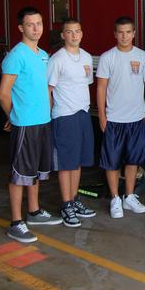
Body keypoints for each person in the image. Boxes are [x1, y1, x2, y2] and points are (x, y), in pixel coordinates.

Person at [0, 6, 61, 244]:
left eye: (39, 23)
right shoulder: (16, 56)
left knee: (33, 171)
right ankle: (16, 223)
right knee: (20, 174)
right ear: (20, 28)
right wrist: (13, 117)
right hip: (25, 123)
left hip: (43, 121)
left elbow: (44, 90)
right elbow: (3, 94)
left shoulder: (43, 55)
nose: (36, 28)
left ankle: (34, 212)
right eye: (30, 24)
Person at [97, 16, 145, 218]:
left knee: (133, 160)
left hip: (137, 119)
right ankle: (115, 198)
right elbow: (101, 87)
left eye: (128, 32)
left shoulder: (144, 57)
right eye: (120, 32)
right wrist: (102, 116)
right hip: (113, 119)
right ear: (115, 34)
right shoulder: (108, 57)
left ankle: (129, 197)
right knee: (112, 161)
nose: (124, 36)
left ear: (133, 33)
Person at [47, 18, 96, 228]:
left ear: (82, 34)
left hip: (82, 114)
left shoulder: (86, 57)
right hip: (64, 116)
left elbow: (86, 85)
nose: (74, 35)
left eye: (77, 31)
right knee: (66, 164)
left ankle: (74, 200)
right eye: (69, 32)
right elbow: (48, 90)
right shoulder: (56, 60)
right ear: (62, 35)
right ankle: (66, 204)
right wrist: (51, 116)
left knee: (77, 162)